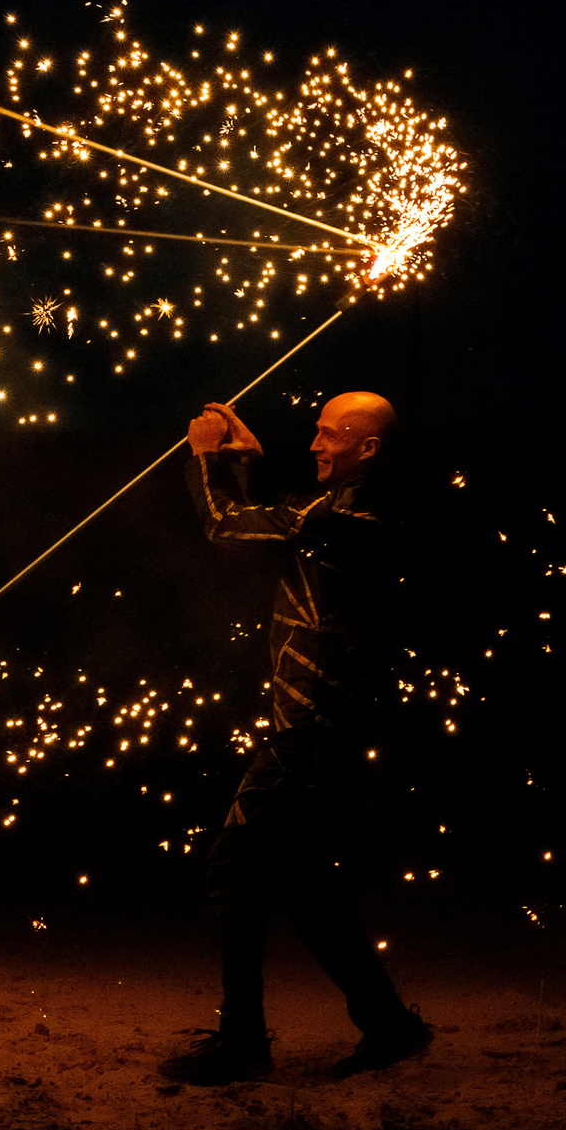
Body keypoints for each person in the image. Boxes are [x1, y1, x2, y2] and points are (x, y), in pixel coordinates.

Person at [157, 391, 432, 1085]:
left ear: (366, 448)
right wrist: (248, 462)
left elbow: (227, 528)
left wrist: (205, 458)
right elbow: (284, 525)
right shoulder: (353, 508)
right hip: (326, 726)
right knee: (305, 879)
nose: (314, 443)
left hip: (308, 727)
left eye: (329, 434)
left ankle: (243, 1043)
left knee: (232, 866)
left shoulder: (353, 515)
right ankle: (390, 1024)